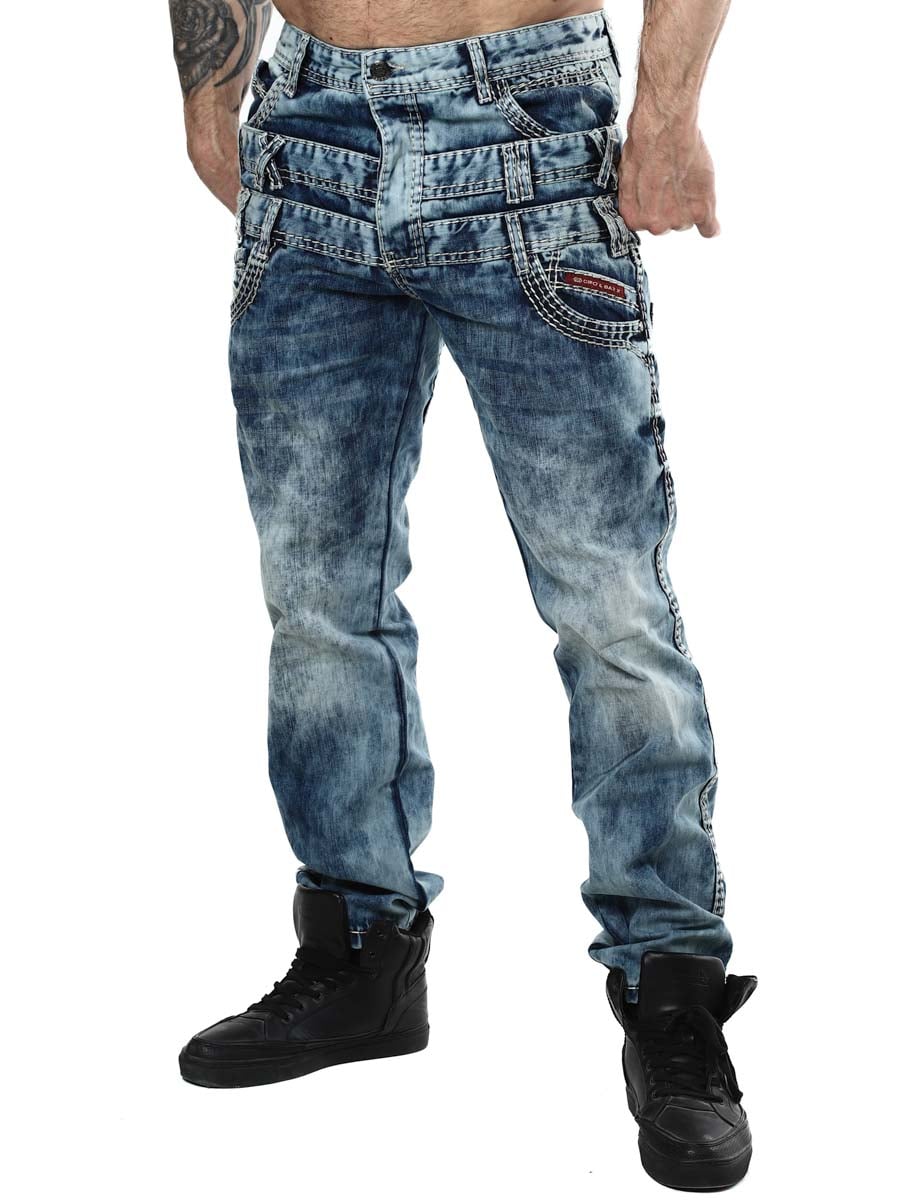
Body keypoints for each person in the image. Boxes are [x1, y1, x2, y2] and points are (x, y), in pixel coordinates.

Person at [169, 0, 756, 1188]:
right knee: (318, 601)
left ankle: (671, 987)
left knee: (609, 608)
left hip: (524, 126)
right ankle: (362, 954)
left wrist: (666, 113)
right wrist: (206, 96)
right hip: (309, 132)